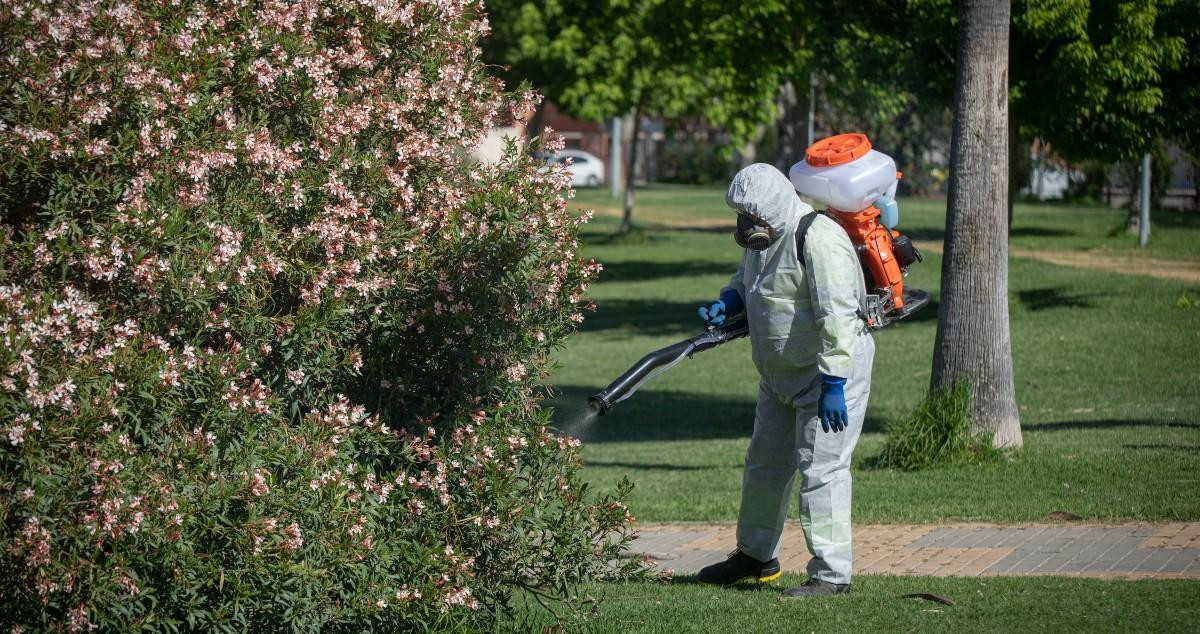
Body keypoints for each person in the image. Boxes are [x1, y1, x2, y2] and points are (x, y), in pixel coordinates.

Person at [695, 163, 874, 598]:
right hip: (779, 378)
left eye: (751, 214)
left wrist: (834, 383)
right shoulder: (763, 239)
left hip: (827, 378)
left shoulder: (818, 237)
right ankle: (756, 556)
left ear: (775, 206)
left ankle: (831, 576)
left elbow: (839, 318)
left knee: (823, 471)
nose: (745, 225)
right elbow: (748, 282)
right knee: (764, 467)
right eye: (740, 214)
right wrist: (729, 301)